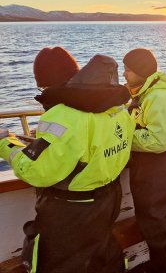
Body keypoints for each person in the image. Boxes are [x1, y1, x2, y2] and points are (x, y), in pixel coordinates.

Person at [0, 47, 134, 273]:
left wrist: (6, 144)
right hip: (109, 197)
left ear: (45, 82)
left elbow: (39, 172)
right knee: (100, 258)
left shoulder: (64, 114)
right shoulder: (116, 105)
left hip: (72, 210)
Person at [122, 48, 166, 272]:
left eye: (128, 70)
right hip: (151, 174)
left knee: (162, 229)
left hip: (160, 176)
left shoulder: (159, 97)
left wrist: (124, 138)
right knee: (159, 226)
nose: (124, 74)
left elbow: (160, 141)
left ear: (141, 72)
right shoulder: (144, 95)